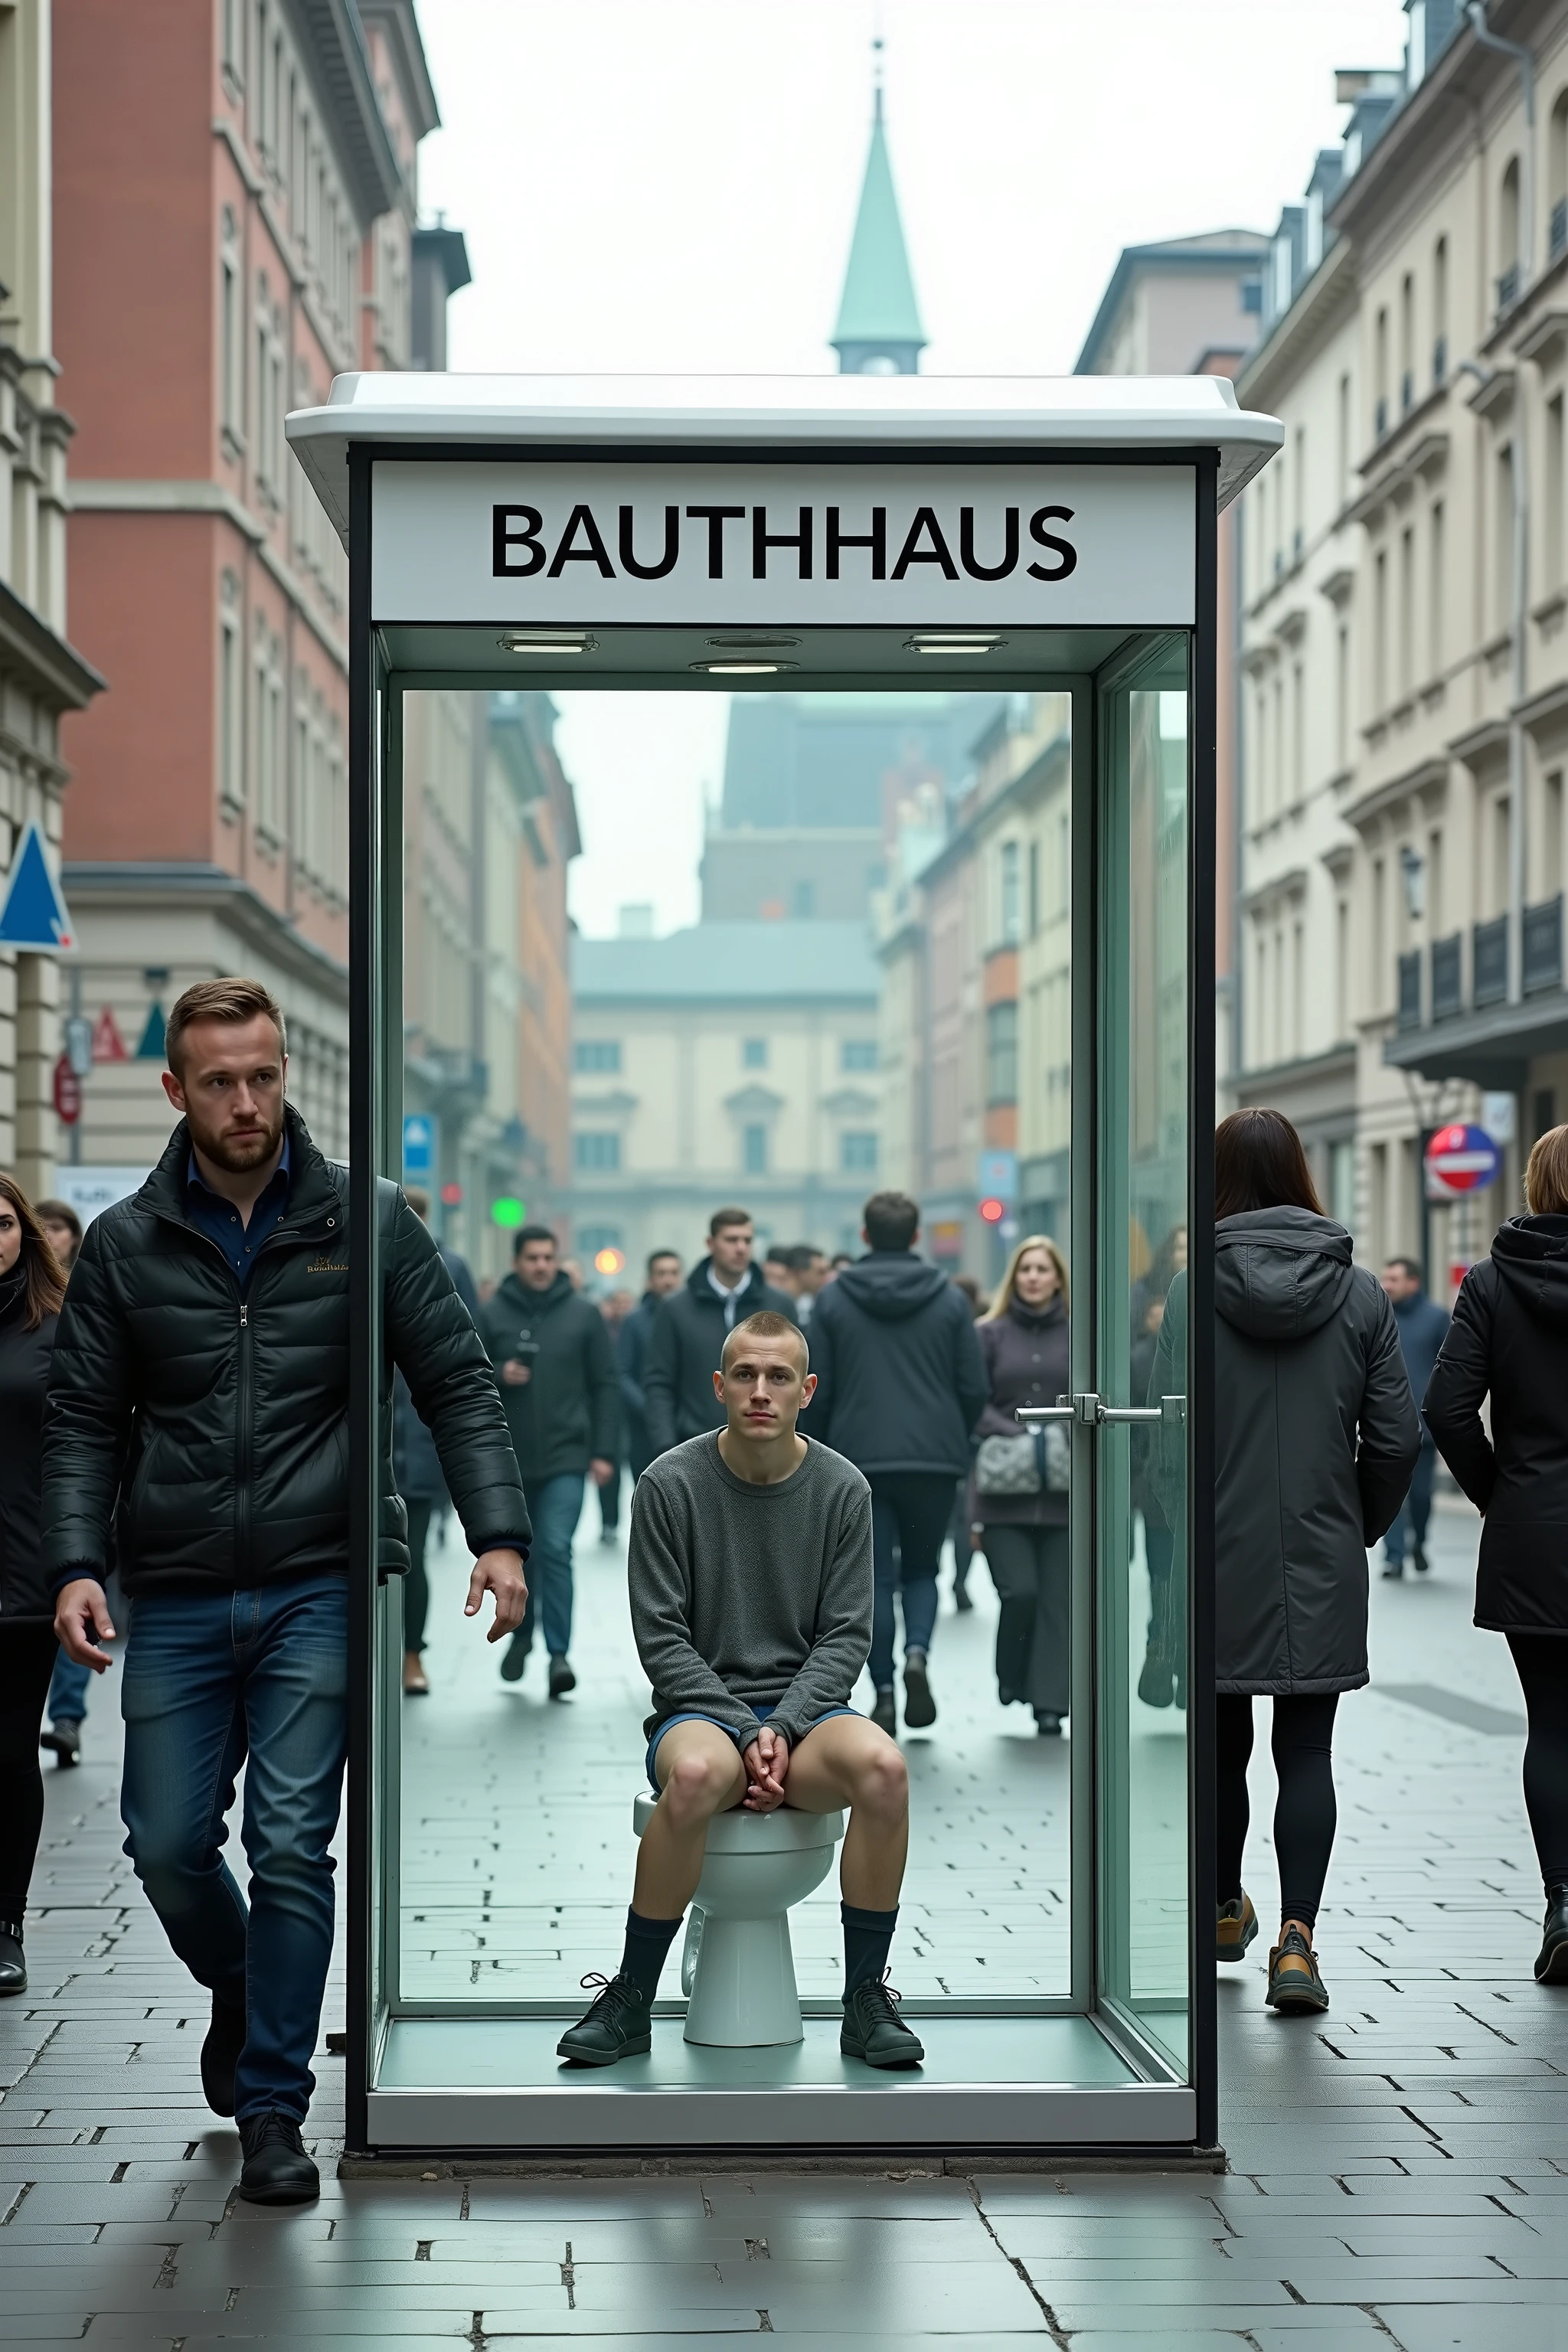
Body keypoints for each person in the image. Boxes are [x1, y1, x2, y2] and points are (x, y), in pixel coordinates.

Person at [44, 976, 531, 2207]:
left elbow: (458, 1382)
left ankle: (273, 2108)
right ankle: (247, 1985)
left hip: (322, 1579)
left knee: (293, 1845)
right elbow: (81, 1422)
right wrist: (74, 1565)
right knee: (164, 1845)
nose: (248, 1100)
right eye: (220, 1081)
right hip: (181, 1585)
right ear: (175, 1090)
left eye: (263, 1075)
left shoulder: (367, 1220)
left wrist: (500, 1535)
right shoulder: (125, 1244)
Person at [555, 1309, 923, 2072]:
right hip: (698, 1710)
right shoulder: (668, 1484)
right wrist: (739, 1726)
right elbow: (660, 1638)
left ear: (806, 1390)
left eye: (778, 1376)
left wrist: (783, 1727)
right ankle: (630, 1999)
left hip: (809, 1713)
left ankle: (863, 2001)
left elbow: (847, 1636)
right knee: (694, 1777)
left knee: (884, 1770)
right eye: (746, 1376)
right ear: (720, 1386)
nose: (761, 1391)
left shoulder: (841, 1487)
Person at [1153, 1108, 1418, 2017]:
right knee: (1305, 1751)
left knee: (1223, 1751)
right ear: (1302, 1174)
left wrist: (1173, 1535)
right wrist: (1356, 1525)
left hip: (1217, 1553)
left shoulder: (1192, 1293)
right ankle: (1296, 1946)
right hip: (1318, 1551)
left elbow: (1163, 1446)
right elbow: (1395, 1437)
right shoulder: (1358, 1294)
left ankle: (1222, 1911)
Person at [1424, 1124, 1568, 1984]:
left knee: (1549, 1723)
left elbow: (1445, 1410)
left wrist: (1499, 1494)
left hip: (1533, 1531)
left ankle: (1560, 1901)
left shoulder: (1490, 1281)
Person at [807, 1191, 987, 1736]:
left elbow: (822, 1389)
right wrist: (953, 1434)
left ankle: (882, 1686)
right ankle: (917, 1654)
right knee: (922, 1569)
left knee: (873, 1579)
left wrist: (818, 1453)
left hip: (856, 1460)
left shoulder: (834, 1301)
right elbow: (973, 1386)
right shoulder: (951, 1300)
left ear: (864, 1236)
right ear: (916, 1236)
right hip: (932, 1459)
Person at [480, 1223, 619, 1695]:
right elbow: (469, 1379)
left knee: (555, 1548)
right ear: (517, 1262)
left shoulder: (583, 1315)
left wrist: (604, 1452)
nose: (541, 1266)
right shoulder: (492, 1313)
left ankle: (559, 1654)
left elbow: (605, 1385)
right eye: (532, 1258)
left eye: (547, 1257)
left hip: (566, 1455)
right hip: (508, 1459)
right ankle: (521, 1638)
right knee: (519, 1555)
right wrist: (500, 1373)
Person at [0, 1175, 68, 1994]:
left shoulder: (55, 1327)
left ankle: (6, 1921)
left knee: (10, 1753)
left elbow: (90, 1446)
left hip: (23, 1577)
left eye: (4, 1224)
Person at [972, 1236, 1072, 1736]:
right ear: (1016, 1277)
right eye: (1026, 1269)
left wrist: (1058, 1430)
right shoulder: (989, 1334)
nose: (1034, 1277)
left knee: (1058, 1602)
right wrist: (1017, 1432)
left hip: (1064, 1496)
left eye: (1043, 1269)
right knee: (1021, 1593)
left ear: (1058, 1277)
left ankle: (1050, 1704)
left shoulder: (1082, 1332)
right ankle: (1012, 1675)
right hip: (1001, 1495)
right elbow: (972, 1401)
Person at [394, 1187, 482, 1697]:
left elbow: (466, 1357)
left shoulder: (449, 1268)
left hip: (421, 1442)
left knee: (413, 1555)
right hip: (371, 1443)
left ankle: (411, 1655)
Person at [642, 1207, 792, 1459]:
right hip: (694, 1449)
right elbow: (659, 1383)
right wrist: (665, 1447)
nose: (741, 1248)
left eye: (747, 1240)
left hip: (768, 1450)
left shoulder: (779, 1305)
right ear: (711, 1244)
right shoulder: (676, 1309)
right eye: (732, 1240)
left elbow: (794, 1377)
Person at [30, 1200, 91, 1766]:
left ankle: (68, 1717)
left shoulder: (73, 1305)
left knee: (73, 1597)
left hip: (56, 1501)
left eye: (57, 1227)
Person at [1378, 1256, 1450, 1579]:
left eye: (1394, 1279)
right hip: (1385, 1425)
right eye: (1385, 1279)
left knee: (1421, 1495)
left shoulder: (1437, 1319)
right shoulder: (1379, 1316)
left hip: (1425, 1428)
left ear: (1413, 1283)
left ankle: (1419, 1541)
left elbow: (1453, 1370)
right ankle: (1394, 1557)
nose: (1386, 1285)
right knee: (1389, 1492)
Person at [1131, 1277, 1179, 1709]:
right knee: (1172, 1571)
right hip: (1166, 1486)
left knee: (1161, 1572)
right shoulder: (1144, 1359)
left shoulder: (1139, 1359)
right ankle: (1173, 1649)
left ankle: (1162, 1641)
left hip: (1154, 1486)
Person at [618, 1250, 683, 1481]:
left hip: (687, 1423)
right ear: (650, 1279)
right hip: (644, 1430)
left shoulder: (691, 1318)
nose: (668, 1280)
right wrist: (651, 1409)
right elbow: (622, 1374)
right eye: (662, 1273)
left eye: (674, 1273)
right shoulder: (635, 1322)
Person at [947, 1274, 988, 1612]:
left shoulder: (941, 1334)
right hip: (971, 1438)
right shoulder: (979, 1333)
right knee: (964, 1517)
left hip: (942, 1440)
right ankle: (960, 1580)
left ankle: (945, 1578)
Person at [594, 1288, 636, 1546]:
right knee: (610, 1471)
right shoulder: (603, 1329)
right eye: (617, 1303)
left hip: (634, 1412)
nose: (622, 1308)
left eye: (626, 1302)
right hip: (612, 1410)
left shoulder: (635, 1327)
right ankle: (609, 1521)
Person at [35, 1198, 82, 1272]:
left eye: (56, 1228)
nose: (47, 1236)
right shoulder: (16, 1280)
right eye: (40, 1229)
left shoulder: (92, 1279)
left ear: (75, 1237)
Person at [786, 1244, 828, 1325]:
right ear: (800, 1272)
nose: (825, 1278)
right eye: (820, 1272)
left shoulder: (809, 1305)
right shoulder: (774, 1305)